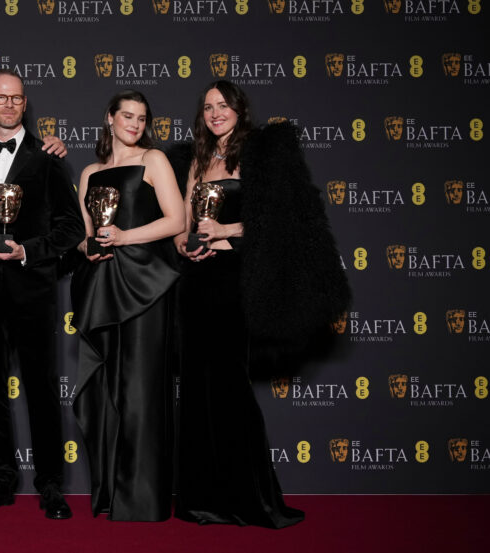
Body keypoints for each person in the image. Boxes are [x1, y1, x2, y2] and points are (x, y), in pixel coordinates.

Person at [173, 80, 348, 528]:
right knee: (196, 388)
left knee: (230, 386)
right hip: (197, 282)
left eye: (224, 105)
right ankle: (199, 500)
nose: (216, 113)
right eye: (209, 107)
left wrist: (226, 232)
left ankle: (251, 501)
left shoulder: (260, 154)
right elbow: (184, 225)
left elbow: (279, 225)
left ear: (239, 109)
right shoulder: (197, 159)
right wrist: (186, 245)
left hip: (235, 280)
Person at [0, 69, 82, 519]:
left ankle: (50, 484)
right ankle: (1, 479)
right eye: (1, 97)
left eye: (16, 98)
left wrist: (29, 252)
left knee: (41, 389)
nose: (9, 105)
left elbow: (72, 227)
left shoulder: (48, 159)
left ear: (24, 104)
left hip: (32, 292)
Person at [70, 90, 185, 521]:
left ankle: (142, 499)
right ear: (109, 119)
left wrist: (122, 237)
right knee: (107, 390)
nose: (135, 124)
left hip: (146, 286)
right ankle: (110, 493)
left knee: (140, 390)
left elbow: (177, 220)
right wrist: (91, 247)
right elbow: (84, 235)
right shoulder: (90, 173)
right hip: (102, 286)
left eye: (141, 118)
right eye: (127, 116)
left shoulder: (153, 161)